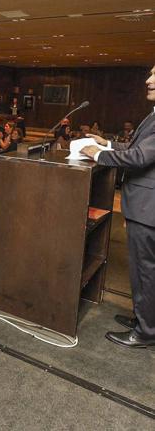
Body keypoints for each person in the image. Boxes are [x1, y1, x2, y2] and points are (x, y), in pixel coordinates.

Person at [80, 64, 155, 349]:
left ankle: (146, 332)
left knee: (145, 272)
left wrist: (99, 154)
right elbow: (136, 149)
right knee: (145, 270)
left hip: (149, 208)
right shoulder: (153, 115)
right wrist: (108, 143)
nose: (148, 80)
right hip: (144, 207)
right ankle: (144, 319)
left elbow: (138, 159)